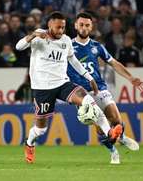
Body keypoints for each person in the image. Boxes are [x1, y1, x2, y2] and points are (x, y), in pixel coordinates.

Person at [15, 11, 122, 164]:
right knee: (40, 129)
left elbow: (73, 59)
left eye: (63, 27)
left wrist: (88, 76)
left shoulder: (66, 40)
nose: (61, 31)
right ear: (50, 25)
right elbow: (18, 47)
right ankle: (29, 143)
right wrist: (32, 35)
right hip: (43, 88)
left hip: (62, 83)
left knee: (88, 101)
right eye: (58, 27)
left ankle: (109, 132)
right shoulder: (39, 37)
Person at [67, 12, 143, 164]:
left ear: (91, 27)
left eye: (87, 25)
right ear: (76, 26)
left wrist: (130, 77)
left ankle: (121, 137)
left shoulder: (97, 47)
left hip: (99, 88)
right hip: (81, 94)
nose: (84, 28)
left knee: (116, 120)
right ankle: (113, 152)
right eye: (81, 25)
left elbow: (114, 63)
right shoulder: (67, 46)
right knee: (101, 128)